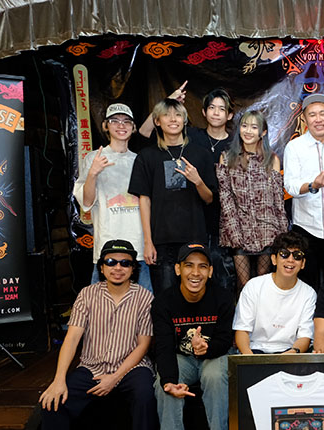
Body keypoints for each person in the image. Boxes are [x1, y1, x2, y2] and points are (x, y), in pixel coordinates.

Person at [37, 240, 156, 430]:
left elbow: (143, 345)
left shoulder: (144, 297)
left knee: (145, 393)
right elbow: (72, 339)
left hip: (131, 366)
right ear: (101, 267)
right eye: (111, 262)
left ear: (133, 269)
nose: (118, 268)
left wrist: (115, 377)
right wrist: (59, 379)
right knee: (53, 401)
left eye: (125, 263)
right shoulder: (87, 295)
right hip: (92, 366)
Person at [152, 242, 236, 430]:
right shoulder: (164, 302)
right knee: (164, 385)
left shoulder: (223, 297)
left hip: (213, 355)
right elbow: (163, 347)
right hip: (182, 358)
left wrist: (206, 348)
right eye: (189, 265)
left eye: (202, 266)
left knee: (215, 377)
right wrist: (169, 381)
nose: (195, 273)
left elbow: (225, 340)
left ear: (210, 271)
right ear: (178, 269)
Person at [139, 86, 237, 291]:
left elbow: (211, 195)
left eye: (222, 109)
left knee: (211, 285)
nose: (216, 113)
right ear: (203, 112)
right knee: (169, 290)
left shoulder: (233, 145)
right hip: (173, 230)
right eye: (212, 107)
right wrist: (169, 101)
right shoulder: (191, 136)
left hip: (215, 225)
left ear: (229, 115)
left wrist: (198, 180)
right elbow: (145, 132)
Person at [128, 99, 217, 295]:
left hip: (195, 238)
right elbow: (144, 200)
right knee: (166, 297)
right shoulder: (146, 156)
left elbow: (210, 199)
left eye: (178, 115)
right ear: (157, 121)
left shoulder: (201, 154)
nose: (173, 119)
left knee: (196, 294)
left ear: (185, 120)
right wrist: (148, 242)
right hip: (162, 241)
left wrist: (198, 181)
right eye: (167, 115)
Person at [73, 103, 152, 291]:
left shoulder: (140, 159)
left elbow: (147, 202)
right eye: (114, 121)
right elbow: (86, 203)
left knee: (144, 303)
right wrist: (93, 173)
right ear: (105, 126)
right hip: (106, 246)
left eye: (126, 121)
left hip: (138, 246)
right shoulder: (94, 158)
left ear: (133, 127)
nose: (121, 125)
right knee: (101, 304)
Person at [216, 110, 288, 291]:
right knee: (243, 284)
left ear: (263, 132)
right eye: (244, 126)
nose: (248, 131)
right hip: (239, 229)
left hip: (267, 230)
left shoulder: (272, 159)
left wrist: (282, 234)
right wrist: (234, 231)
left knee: (263, 282)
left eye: (254, 127)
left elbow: (278, 200)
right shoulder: (227, 157)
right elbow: (225, 197)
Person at [283, 93, 324, 290]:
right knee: (307, 287)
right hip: (306, 229)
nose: (318, 119)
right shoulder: (294, 147)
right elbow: (290, 187)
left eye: (322, 113)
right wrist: (312, 186)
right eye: (312, 115)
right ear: (304, 119)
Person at [233, 231, 316, 355]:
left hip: (290, 353)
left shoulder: (308, 293)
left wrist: (292, 353)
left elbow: (305, 337)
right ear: (274, 259)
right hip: (255, 350)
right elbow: (242, 330)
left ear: (303, 263)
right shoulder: (254, 286)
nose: (290, 260)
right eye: (284, 254)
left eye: (297, 256)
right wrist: (249, 358)